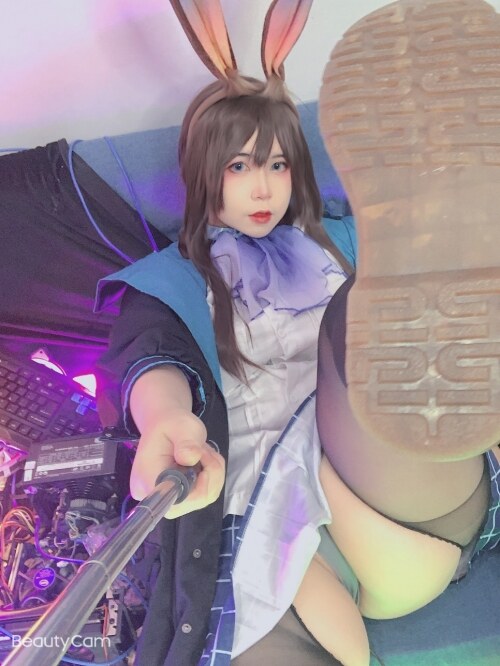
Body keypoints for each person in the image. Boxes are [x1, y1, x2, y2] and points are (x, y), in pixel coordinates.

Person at [95, 0, 500, 664]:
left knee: (361, 324)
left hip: (394, 489)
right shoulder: (169, 280)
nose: (263, 188)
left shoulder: (347, 241)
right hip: (276, 528)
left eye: (277, 165)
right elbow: (153, 358)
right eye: (239, 167)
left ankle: (447, 222)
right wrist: (166, 419)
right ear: (203, 172)